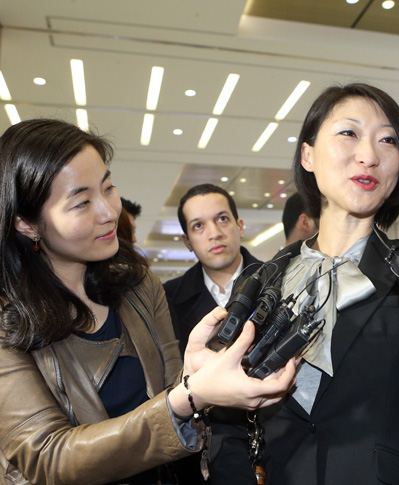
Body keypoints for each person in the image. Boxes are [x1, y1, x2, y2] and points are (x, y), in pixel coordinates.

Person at [0, 119, 295, 484]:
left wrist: (194, 375)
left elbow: (174, 391)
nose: (109, 211)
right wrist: (190, 394)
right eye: (81, 203)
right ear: (27, 224)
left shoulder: (138, 286)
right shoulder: (8, 322)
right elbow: (48, 456)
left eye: (108, 188)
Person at [247, 83, 399, 484]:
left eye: (388, 140)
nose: (369, 156)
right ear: (308, 155)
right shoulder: (260, 280)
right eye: (349, 133)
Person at [163, 183, 263, 484]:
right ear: (187, 241)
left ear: (239, 225)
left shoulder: (280, 280)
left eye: (222, 219)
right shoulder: (168, 300)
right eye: (198, 225)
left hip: (277, 435)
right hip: (204, 449)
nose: (214, 232)